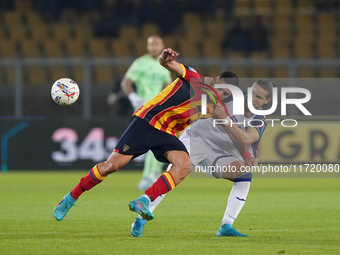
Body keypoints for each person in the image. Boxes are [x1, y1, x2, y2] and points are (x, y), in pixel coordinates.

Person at [53, 48, 233, 221]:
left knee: (185, 166)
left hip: (167, 133)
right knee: (112, 166)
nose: (221, 93)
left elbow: (231, 128)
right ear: (215, 80)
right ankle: (71, 197)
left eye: (226, 93)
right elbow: (167, 63)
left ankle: (144, 200)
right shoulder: (194, 77)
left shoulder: (218, 109)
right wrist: (165, 57)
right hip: (147, 120)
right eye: (221, 87)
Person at [130, 79, 276, 237]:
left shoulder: (260, 119)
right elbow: (209, 88)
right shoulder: (232, 95)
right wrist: (207, 82)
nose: (252, 98)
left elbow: (245, 139)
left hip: (217, 151)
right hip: (196, 139)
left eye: (259, 97)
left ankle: (226, 226)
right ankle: (140, 219)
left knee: (244, 175)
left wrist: (245, 151)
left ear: (267, 101)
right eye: (253, 92)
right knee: (175, 175)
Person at [121, 36, 172, 190]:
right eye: (151, 45)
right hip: (144, 108)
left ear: (162, 46)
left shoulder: (164, 65)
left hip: (158, 109)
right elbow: (126, 83)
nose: (154, 47)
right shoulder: (140, 63)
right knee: (153, 141)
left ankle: (152, 174)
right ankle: (149, 175)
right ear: (148, 47)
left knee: (157, 141)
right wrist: (133, 97)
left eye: (157, 44)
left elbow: (168, 86)